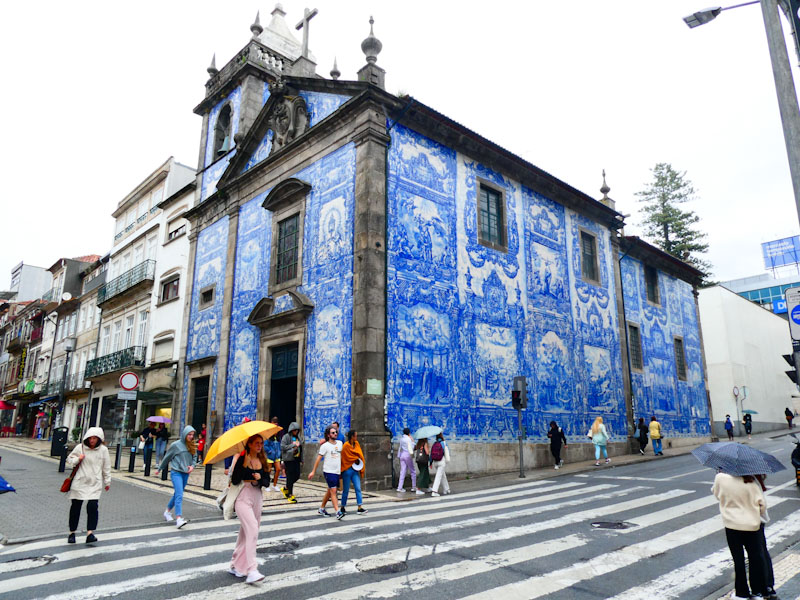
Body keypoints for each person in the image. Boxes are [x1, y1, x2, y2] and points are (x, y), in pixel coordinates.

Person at [712, 470, 771, 600]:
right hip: (752, 526)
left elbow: (717, 494)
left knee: (738, 560)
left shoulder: (720, 478)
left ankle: (741, 593)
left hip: (732, 525)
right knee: (754, 558)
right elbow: (762, 505)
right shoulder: (751, 481)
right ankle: (757, 592)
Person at [229, 434, 268, 584]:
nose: (260, 446)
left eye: (261, 443)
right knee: (252, 529)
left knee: (245, 533)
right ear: (250, 445)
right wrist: (244, 464)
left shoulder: (262, 460)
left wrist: (259, 479)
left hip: (257, 497)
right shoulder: (242, 459)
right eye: (257, 443)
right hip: (243, 497)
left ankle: (235, 564)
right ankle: (252, 569)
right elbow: (235, 479)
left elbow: (266, 482)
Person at [65, 427, 111, 544]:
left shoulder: (103, 450)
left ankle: (90, 532)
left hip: (94, 482)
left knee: (92, 507)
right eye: (90, 438)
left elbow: (106, 466)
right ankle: (72, 532)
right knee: (75, 507)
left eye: (95, 438)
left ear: (99, 439)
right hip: (80, 481)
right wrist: (77, 459)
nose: (92, 440)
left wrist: (107, 481)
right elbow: (69, 459)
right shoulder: (80, 447)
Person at [157, 425, 196, 529]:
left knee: (177, 494)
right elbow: (167, 457)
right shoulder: (175, 445)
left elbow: (195, 457)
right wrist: (159, 469)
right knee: (179, 494)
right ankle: (179, 518)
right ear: (185, 434)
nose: (191, 437)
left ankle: (167, 512)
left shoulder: (191, 445)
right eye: (189, 434)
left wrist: (192, 466)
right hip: (176, 472)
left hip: (186, 473)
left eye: (192, 435)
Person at [308, 425, 344, 519]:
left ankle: (322, 508)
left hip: (337, 471)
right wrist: (313, 471)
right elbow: (318, 459)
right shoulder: (325, 446)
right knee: (333, 491)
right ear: (328, 435)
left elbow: (342, 456)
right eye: (333, 432)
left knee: (330, 490)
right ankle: (338, 511)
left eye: (336, 432)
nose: (335, 434)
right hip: (328, 471)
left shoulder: (340, 443)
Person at [340, 430, 368, 514]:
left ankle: (360, 507)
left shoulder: (357, 444)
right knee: (346, 490)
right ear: (352, 436)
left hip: (355, 469)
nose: (357, 437)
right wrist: (354, 459)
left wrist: (358, 460)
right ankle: (342, 507)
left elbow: (360, 454)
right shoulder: (346, 446)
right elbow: (345, 457)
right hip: (347, 469)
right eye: (355, 435)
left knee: (358, 488)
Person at [280, 422, 302, 504]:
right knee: (289, 476)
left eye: (297, 430)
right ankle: (290, 494)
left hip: (296, 459)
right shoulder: (286, 437)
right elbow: (283, 447)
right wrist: (292, 447)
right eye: (294, 430)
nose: (296, 432)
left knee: (297, 475)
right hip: (289, 459)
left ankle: (286, 488)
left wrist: (301, 458)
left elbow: (301, 447)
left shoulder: (298, 437)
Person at [397, 427, 422, 493]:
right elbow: (412, 447)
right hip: (408, 455)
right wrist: (413, 441)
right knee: (412, 471)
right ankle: (413, 486)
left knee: (402, 471)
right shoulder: (409, 439)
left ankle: (400, 487)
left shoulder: (402, 439)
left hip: (402, 455)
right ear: (409, 433)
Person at [429, 432, 450, 497]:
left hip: (435, 462)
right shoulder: (444, 443)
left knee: (442, 475)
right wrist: (447, 461)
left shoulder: (435, 443)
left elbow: (431, 454)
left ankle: (446, 489)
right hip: (441, 461)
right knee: (438, 476)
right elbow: (447, 453)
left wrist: (430, 463)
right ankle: (434, 491)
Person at [264, 421, 282, 492]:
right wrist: (270, 451)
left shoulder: (278, 438)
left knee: (278, 469)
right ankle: (267, 485)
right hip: (270, 456)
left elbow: (280, 446)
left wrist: (279, 452)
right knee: (268, 470)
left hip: (277, 456)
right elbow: (265, 446)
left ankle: (274, 485)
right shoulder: (268, 438)